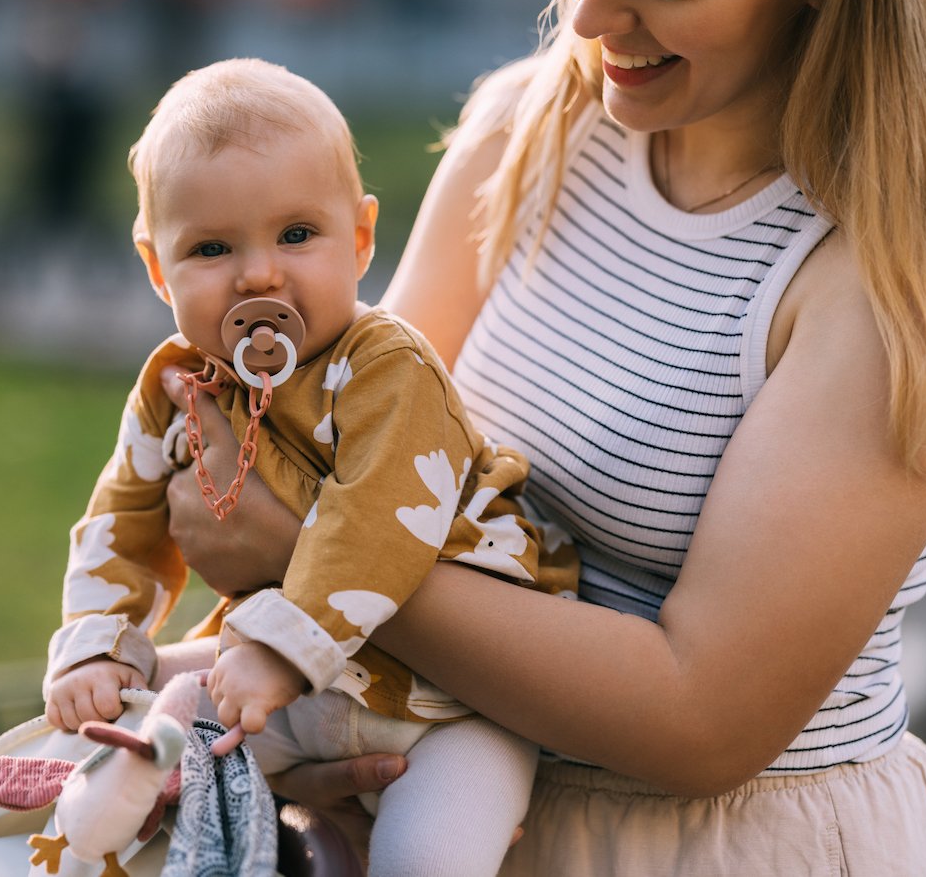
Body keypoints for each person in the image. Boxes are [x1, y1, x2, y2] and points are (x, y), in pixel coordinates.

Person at [153, 0, 926, 873]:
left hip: (712, 846)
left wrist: (303, 556)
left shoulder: (890, 275)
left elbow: (703, 720)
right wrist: (296, 728)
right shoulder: (522, 130)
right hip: (449, 792)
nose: (591, 14)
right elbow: (348, 461)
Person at [41, 57, 577, 875]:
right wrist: (100, 642)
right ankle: (109, 808)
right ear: (158, 268)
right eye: (213, 248)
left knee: (428, 854)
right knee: (171, 709)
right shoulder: (177, 385)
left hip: (452, 704)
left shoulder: (387, 368)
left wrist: (282, 647)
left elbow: (378, 518)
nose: (259, 273)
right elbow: (123, 515)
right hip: (293, 687)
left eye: (297, 234)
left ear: (359, 238)